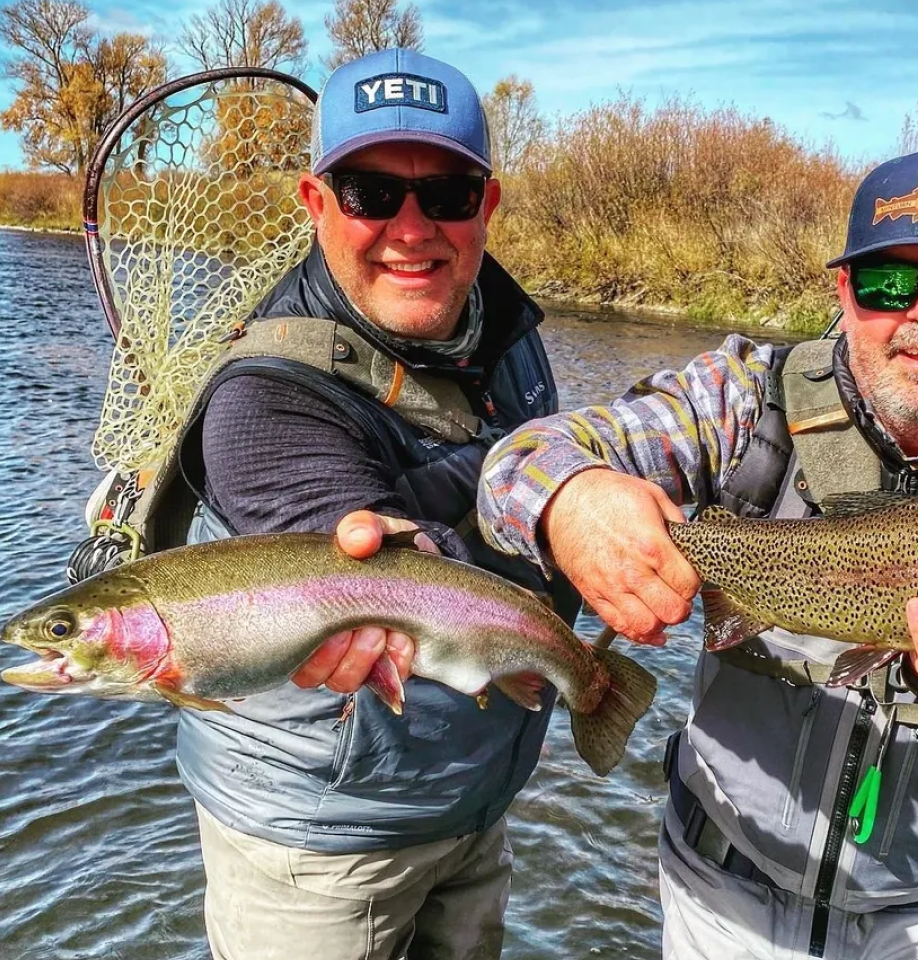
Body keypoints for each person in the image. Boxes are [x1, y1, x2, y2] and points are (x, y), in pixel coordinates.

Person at [473, 147, 918, 958]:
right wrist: (575, 498)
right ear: (845, 294)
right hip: (716, 894)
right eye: (888, 284)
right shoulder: (743, 400)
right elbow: (513, 465)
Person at [166, 49, 577, 960]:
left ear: (487, 206)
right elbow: (411, 582)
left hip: (472, 796)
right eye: (369, 192)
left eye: (446, 194)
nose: (410, 227)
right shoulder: (263, 398)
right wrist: (578, 519)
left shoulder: (505, 328)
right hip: (317, 843)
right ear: (317, 204)